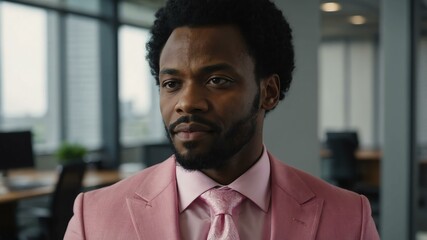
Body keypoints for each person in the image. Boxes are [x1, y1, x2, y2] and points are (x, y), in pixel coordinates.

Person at [65, 0, 380, 239]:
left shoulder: (350, 217)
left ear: (269, 91)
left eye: (216, 80)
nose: (187, 103)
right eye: (171, 84)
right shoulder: (93, 219)